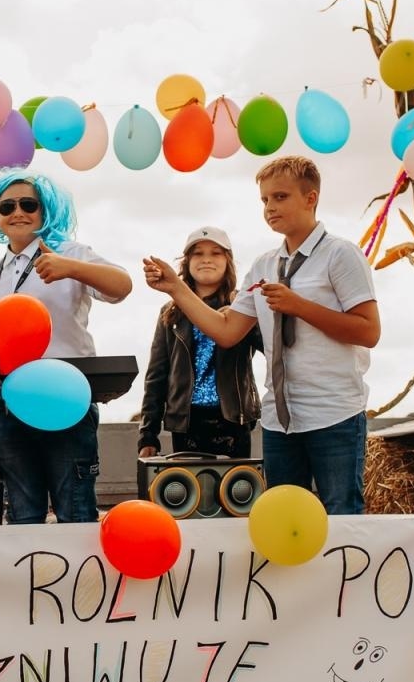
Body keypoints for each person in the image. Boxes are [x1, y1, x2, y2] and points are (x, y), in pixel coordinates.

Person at [143, 156, 379, 514]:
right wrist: (176, 288)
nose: (270, 207)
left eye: (280, 197)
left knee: (341, 512)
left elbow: (369, 330)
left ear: (310, 198)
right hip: (279, 420)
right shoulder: (264, 265)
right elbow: (226, 332)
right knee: (283, 517)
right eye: (265, 200)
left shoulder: (340, 255)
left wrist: (299, 306)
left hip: (334, 414)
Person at [0, 171, 131, 524]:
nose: (18, 212)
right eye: (6, 206)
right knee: (22, 514)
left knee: (76, 508)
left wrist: (70, 268)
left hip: (66, 399)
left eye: (29, 204)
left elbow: (122, 287)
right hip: (11, 403)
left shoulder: (69, 252)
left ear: (46, 210)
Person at [137, 226, 261, 459]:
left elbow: (272, 347)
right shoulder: (170, 313)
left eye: (216, 253)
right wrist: (148, 434)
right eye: (198, 253)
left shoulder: (243, 305)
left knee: (234, 493)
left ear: (228, 261)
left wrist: (254, 310)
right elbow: (156, 376)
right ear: (187, 262)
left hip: (233, 420)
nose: (206, 260)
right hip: (187, 422)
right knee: (190, 493)